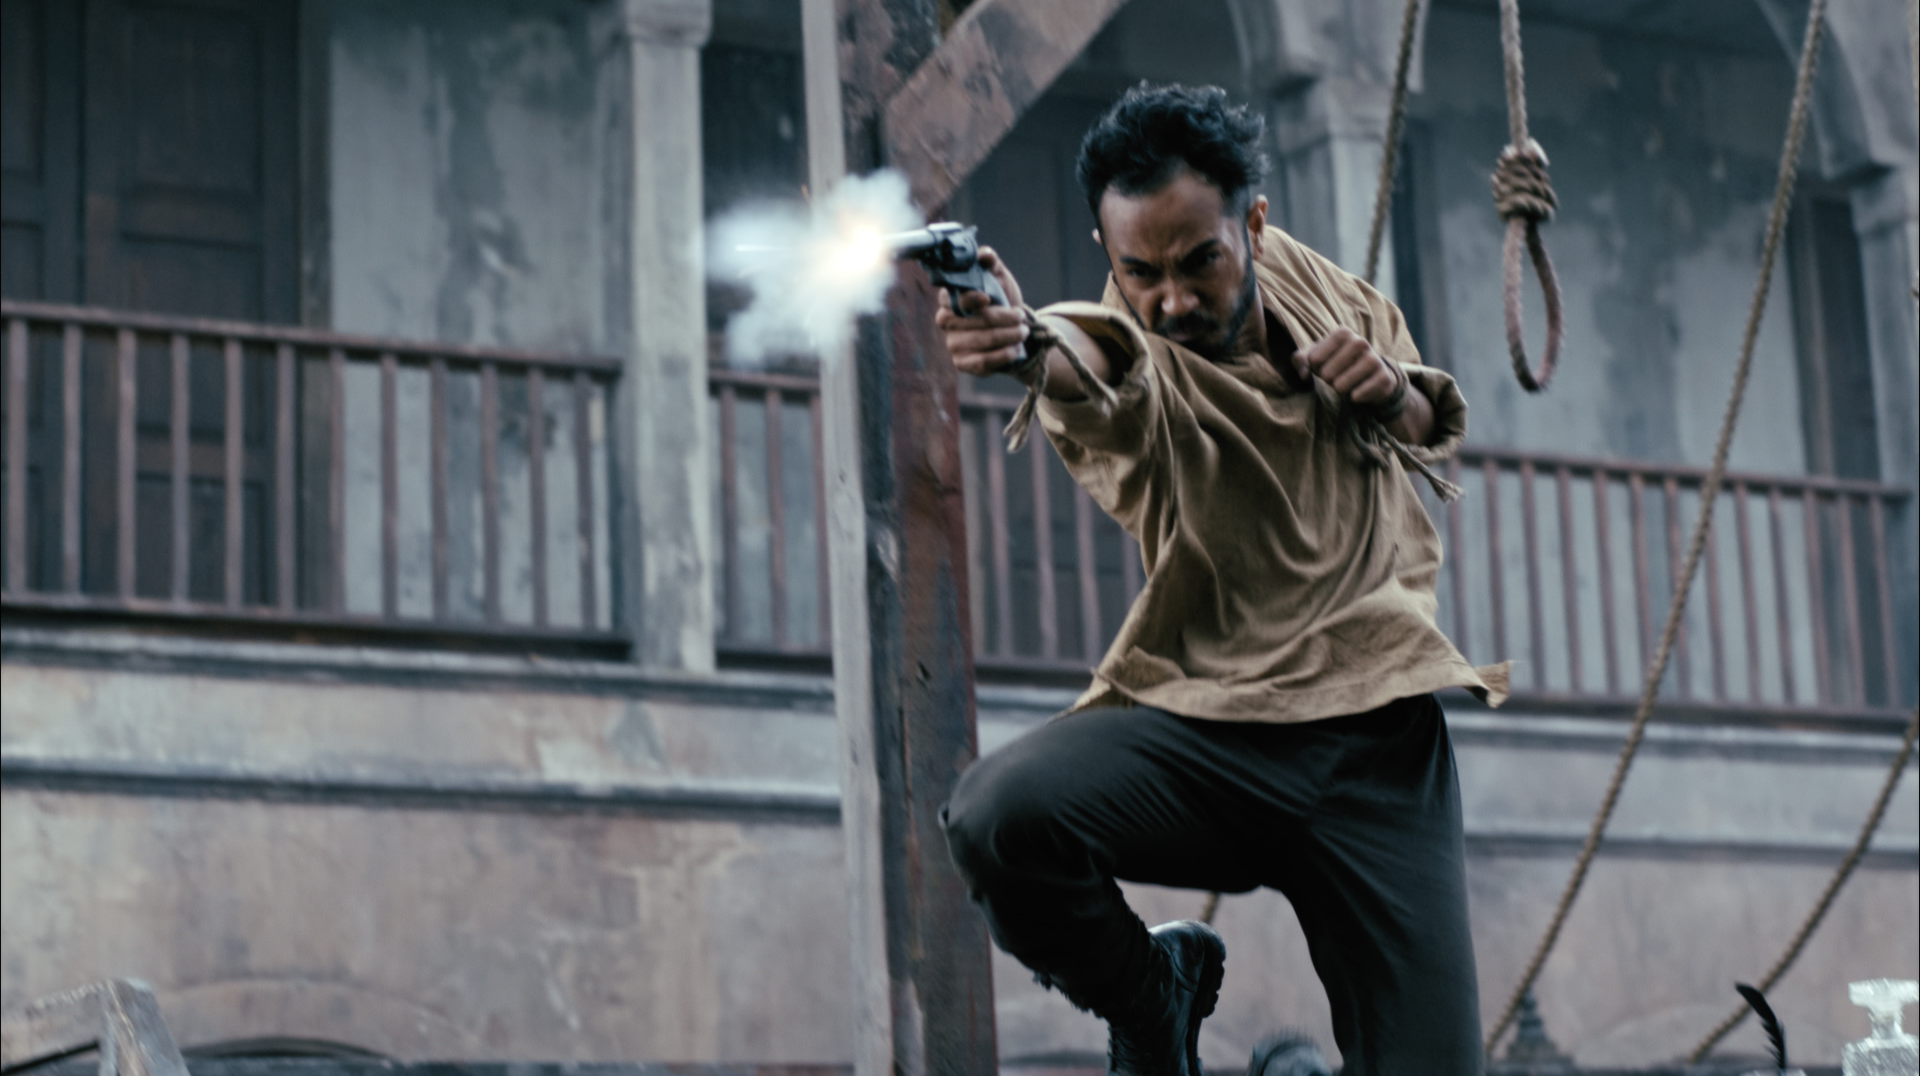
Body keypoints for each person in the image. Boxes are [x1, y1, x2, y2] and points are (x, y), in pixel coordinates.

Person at [934, 83, 1508, 1076]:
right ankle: (1151, 993)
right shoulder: (1135, 346)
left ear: (1253, 221)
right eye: (1139, 271)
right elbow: (1089, 358)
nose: (1172, 300)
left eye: (1199, 261)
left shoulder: (1330, 292)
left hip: (1375, 747)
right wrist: (1024, 339)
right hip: (1214, 738)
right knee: (999, 817)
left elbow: (1425, 420)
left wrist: (1392, 390)